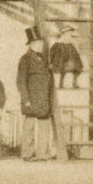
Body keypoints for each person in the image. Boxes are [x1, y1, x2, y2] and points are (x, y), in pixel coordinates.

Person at [17, 25, 55, 160]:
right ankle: (27, 154)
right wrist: (26, 99)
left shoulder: (44, 59)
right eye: (39, 43)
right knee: (29, 127)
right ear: (32, 44)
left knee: (44, 126)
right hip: (31, 99)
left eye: (42, 43)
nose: (41, 45)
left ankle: (42, 154)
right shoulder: (25, 59)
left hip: (43, 99)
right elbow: (20, 81)